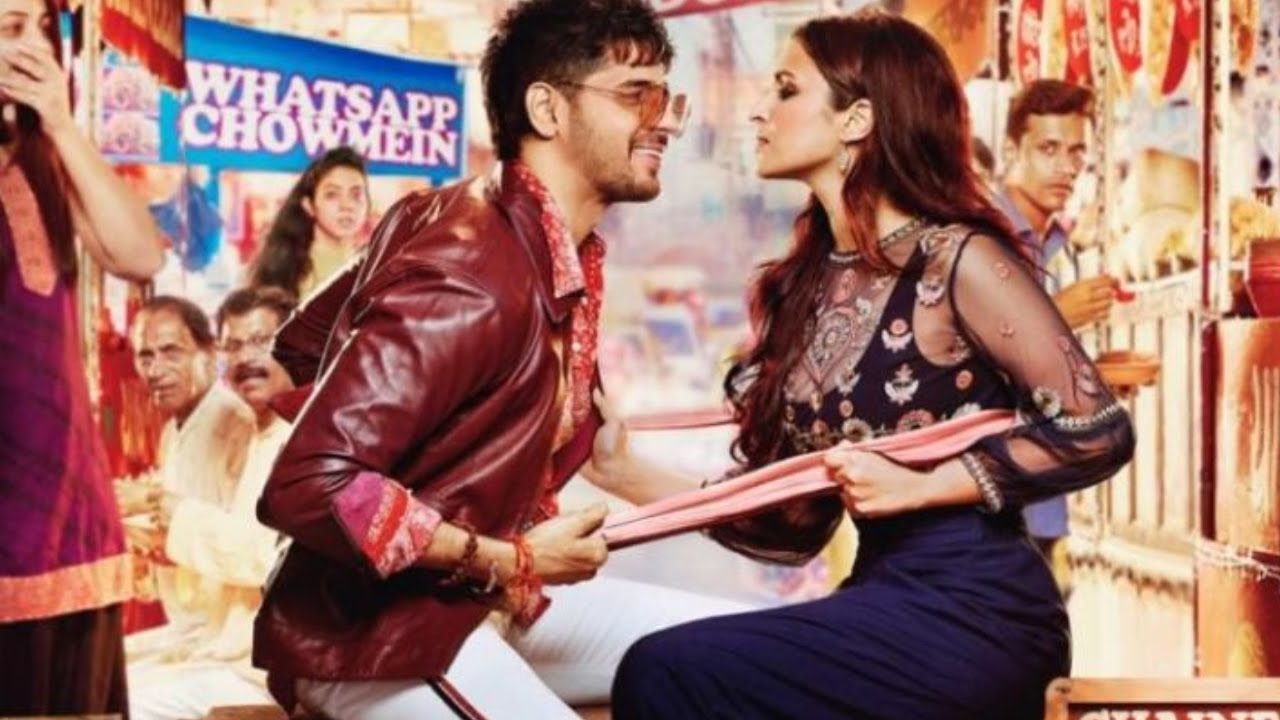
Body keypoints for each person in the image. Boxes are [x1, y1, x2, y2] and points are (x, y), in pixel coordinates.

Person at [604, 11, 1134, 719]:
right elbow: (791, 523)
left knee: (667, 670)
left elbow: (1097, 429)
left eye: (786, 89)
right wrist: (619, 471)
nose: (759, 109)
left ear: (856, 119)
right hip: (883, 596)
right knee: (670, 670)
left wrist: (927, 485)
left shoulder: (955, 260)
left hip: (979, 612)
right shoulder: (809, 285)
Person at [253, 2, 742, 718]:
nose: (662, 121)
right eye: (636, 94)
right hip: (376, 638)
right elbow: (310, 484)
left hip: (479, 603)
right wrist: (509, 557)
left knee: (754, 657)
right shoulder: (472, 270)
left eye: (668, 98)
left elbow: (302, 351)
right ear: (547, 109)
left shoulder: (523, 239)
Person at [0, 0, 165, 714]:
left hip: (70, 523)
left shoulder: (47, 155)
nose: (33, 47)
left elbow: (140, 255)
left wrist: (63, 128)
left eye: (41, 29)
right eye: (11, 28)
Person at [125, 287, 297, 720]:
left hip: (263, 664)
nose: (246, 357)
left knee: (116, 699)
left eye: (261, 341)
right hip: (223, 639)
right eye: (234, 346)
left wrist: (171, 513)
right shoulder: (259, 430)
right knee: (100, 678)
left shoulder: (297, 437)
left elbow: (268, 558)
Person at [995, 79, 1112, 571]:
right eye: (1049, 149)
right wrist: (1057, 314)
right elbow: (965, 353)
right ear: (1011, 151)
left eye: (1076, 151)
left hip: (1040, 496)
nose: (1066, 166)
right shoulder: (985, 235)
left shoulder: (1052, 242)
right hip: (994, 500)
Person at [118, 296, 256, 668]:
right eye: (145, 356)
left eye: (171, 352)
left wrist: (159, 512)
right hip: (187, 627)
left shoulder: (237, 422)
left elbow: (248, 549)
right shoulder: (172, 432)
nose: (155, 370)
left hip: (229, 634)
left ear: (209, 353)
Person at [248, 145, 369, 300]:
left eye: (356, 195)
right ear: (309, 205)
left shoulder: (371, 267)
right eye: (332, 195)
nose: (347, 205)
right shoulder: (287, 272)